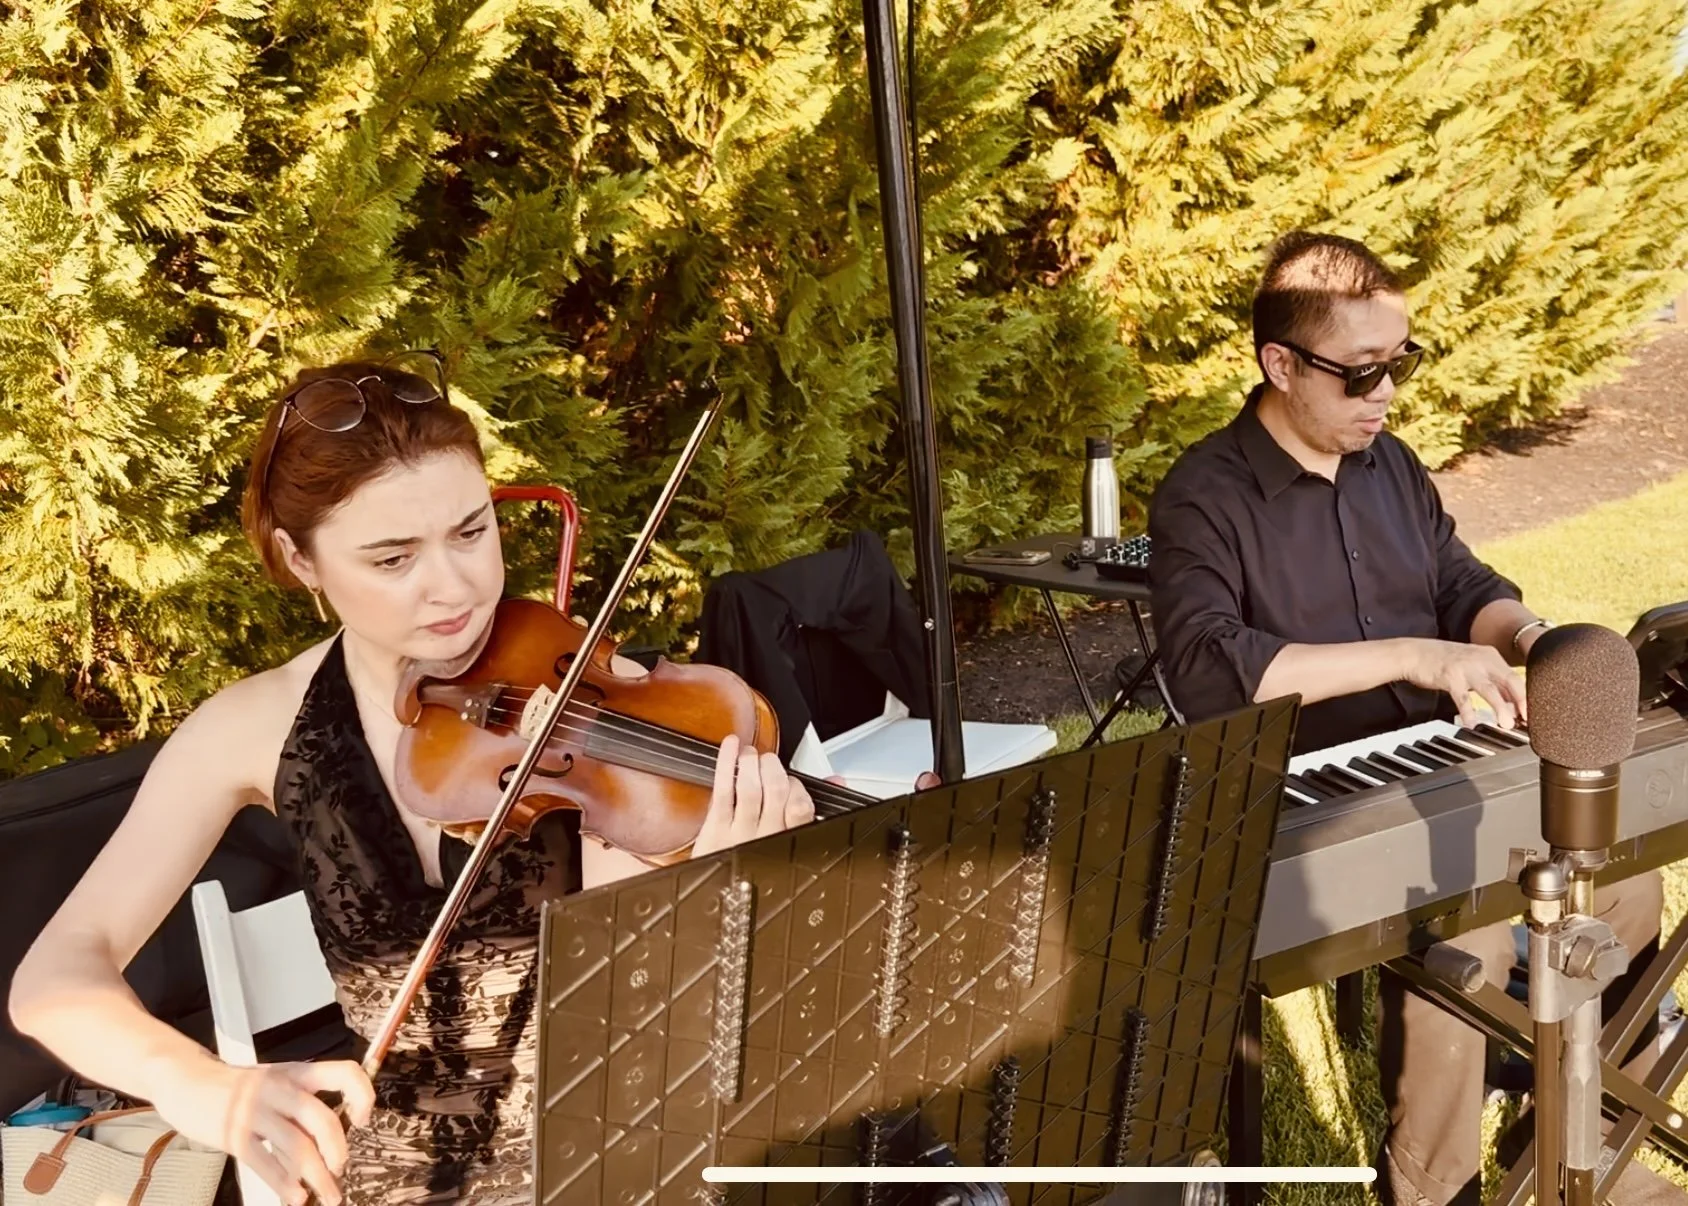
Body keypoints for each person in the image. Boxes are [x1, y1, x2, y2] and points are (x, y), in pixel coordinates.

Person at [8, 353, 818, 1206]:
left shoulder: (587, 701)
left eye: (471, 532)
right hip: (400, 1179)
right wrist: (203, 1084)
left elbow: (675, 1016)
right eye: (393, 560)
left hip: (626, 1149)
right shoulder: (252, 727)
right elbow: (55, 977)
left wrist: (739, 891)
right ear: (302, 560)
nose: (455, 588)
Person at [1146, 232, 1662, 1206]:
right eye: (1362, 373)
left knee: (1625, 889)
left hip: (1435, 763)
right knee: (1474, 943)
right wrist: (1420, 656)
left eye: (1400, 364)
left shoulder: (1389, 468)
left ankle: (1580, 1133)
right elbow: (1213, 671)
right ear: (1279, 365)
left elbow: (1462, 584)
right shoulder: (1202, 495)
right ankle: (1435, 1188)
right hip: (1303, 804)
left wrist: (1533, 638)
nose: (1386, 392)